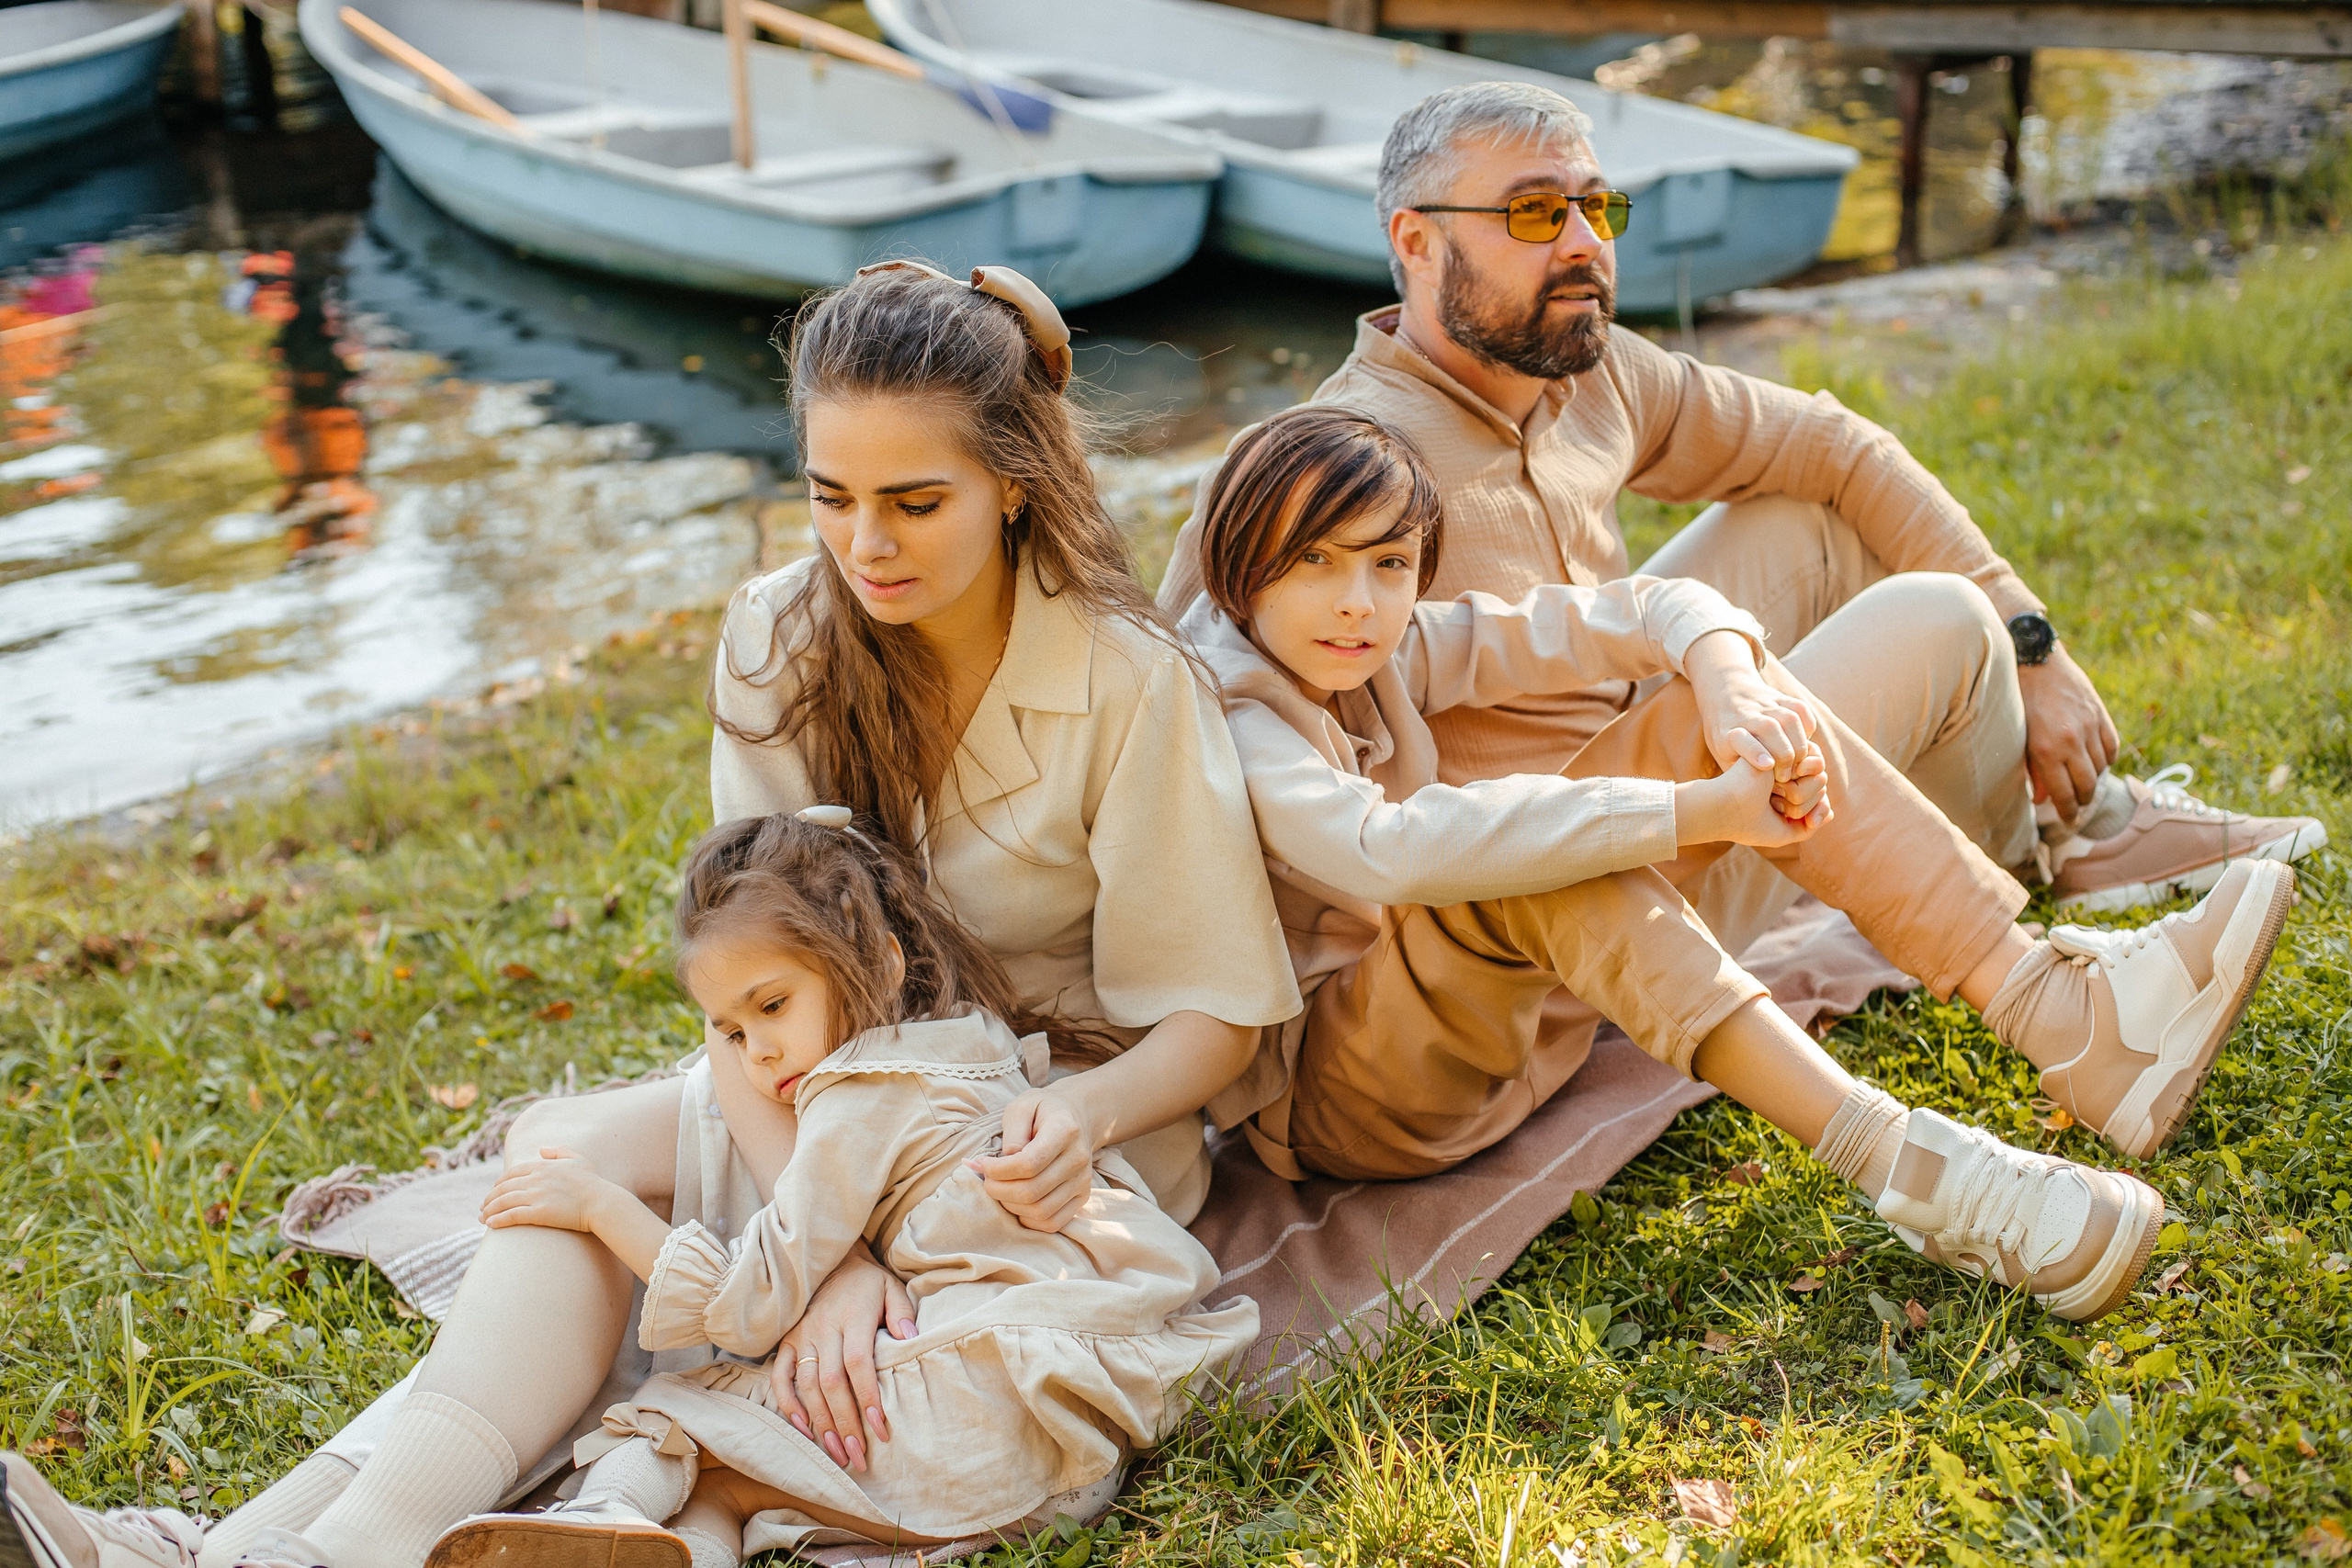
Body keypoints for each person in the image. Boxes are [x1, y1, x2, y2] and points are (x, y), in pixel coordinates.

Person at [8, 260, 1298, 1568]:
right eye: (830, 497)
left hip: (1026, 1137)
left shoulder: (1133, 684)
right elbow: (749, 999)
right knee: (556, 1183)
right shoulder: (776, 639)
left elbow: (1213, 1019)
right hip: (799, 1093)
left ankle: (214, 1554)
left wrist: (1075, 1117)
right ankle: (226, 1554)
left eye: (917, 501)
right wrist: (823, 1256)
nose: (868, 546)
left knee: (617, 1242)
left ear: (1015, 481)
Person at [1176, 404, 2299, 1319]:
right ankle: (1920, 1173)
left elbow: (1647, 605)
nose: (1356, 601)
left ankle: (2067, 1014)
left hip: (1486, 1029)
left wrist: (1725, 683)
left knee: (1694, 725)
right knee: (1524, 845)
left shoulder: (1391, 638)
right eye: (1312, 561)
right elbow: (1390, 851)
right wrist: (1697, 810)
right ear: (1237, 568)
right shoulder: (1228, 703)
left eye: (1386, 564)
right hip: (1346, 1101)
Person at [1155, 81, 2324, 919]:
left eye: (1593, 208)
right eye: (1530, 213)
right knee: (1936, 623)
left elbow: (1831, 444)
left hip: (1666, 725)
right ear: (1413, 243)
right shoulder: (1320, 461)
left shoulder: (1591, 371)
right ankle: (2037, 858)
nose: (1579, 243)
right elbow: (1180, 703)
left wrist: (2034, 640)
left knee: (1807, 520)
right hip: (1580, 875)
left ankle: (2081, 815)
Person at [435, 809, 1254, 1562]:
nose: (757, 1053)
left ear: (879, 965)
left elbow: (751, 1305)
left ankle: (596, 1516)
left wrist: (599, 1205)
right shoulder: (966, 1038)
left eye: (773, 1004)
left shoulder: (856, 1096)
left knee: (675, 1404)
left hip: (989, 1421)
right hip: (1082, 1417)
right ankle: (666, 1550)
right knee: (730, 1479)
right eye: (731, 1030)